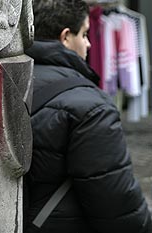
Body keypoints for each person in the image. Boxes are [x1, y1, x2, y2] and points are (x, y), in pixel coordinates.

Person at [23, 0, 152, 232]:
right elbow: (115, 200)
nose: (90, 44)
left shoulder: (6, 82)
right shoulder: (92, 106)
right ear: (65, 37)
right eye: (84, 34)